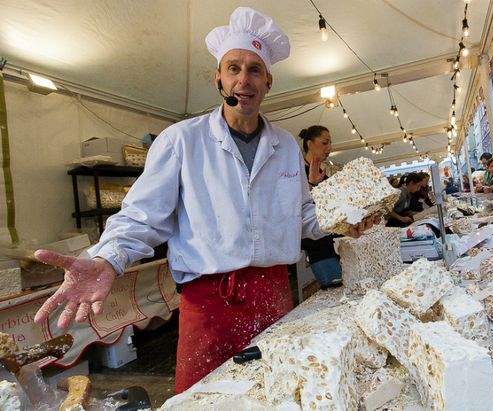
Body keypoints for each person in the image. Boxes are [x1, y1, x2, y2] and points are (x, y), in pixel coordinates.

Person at [31, 7, 378, 394]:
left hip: (274, 293)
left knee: (277, 393)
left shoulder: (283, 147)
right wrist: (108, 257)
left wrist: (344, 217)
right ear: (218, 78)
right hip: (208, 302)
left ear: (268, 82)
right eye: (233, 68)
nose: (243, 78)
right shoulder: (182, 140)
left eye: (254, 69)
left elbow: (302, 216)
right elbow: (142, 216)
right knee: (207, 397)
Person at [298, 125, 342, 289]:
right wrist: (311, 184)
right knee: (334, 289)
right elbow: (296, 208)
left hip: (330, 239)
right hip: (316, 247)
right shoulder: (297, 172)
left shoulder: (323, 173)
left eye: (330, 143)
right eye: (324, 143)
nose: (329, 148)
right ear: (309, 143)